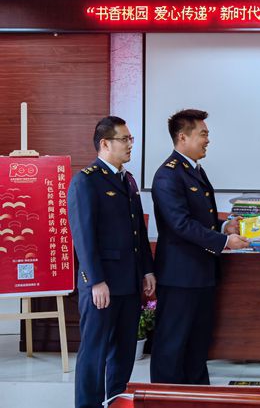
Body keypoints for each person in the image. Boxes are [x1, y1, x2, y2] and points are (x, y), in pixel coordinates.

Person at [150, 108, 249, 385]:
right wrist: (224, 241)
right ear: (183, 137)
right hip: (180, 276)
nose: (208, 140)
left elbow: (200, 218)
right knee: (172, 344)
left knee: (197, 344)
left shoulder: (194, 170)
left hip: (201, 273)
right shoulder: (168, 175)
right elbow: (180, 224)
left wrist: (224, 227)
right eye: (203, 134)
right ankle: (166, 400)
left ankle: (197, 396)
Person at [67, 116, 155, 408]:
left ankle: (115, 401)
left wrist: (147, 269)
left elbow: (138, 230)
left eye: (131, 139)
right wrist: (96, 281)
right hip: (102, 284)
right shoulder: (86, 180)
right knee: (95, 351)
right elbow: (83, 236)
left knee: (124, 351)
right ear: (105, 143)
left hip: (128, 281)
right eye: (124, 139)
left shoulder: (127, 180)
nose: (130, 144)